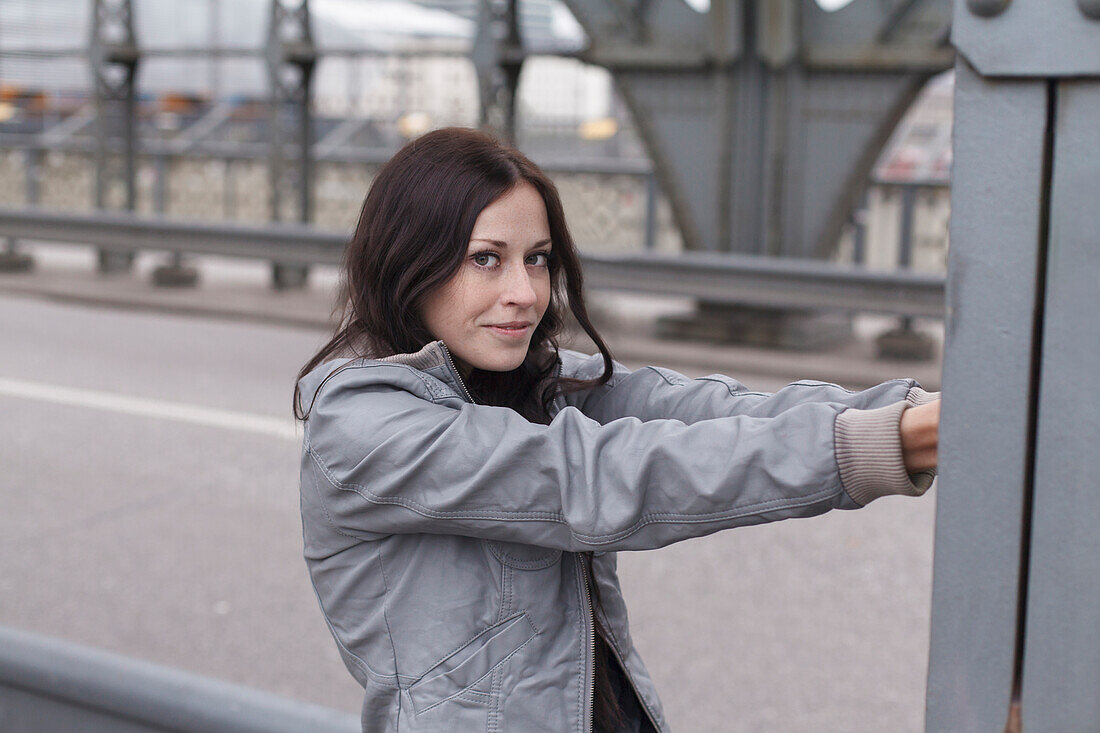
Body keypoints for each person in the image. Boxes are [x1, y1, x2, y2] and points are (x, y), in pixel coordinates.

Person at [293, 127, 940, 733]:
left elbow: (697, 411)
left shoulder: (524, 381)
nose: (525, 290)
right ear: (409, 260)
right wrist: (875, 448)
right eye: (486, 259)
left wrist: (903, 411)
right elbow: (594, 478)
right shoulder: (362, 425)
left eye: (538, 258)